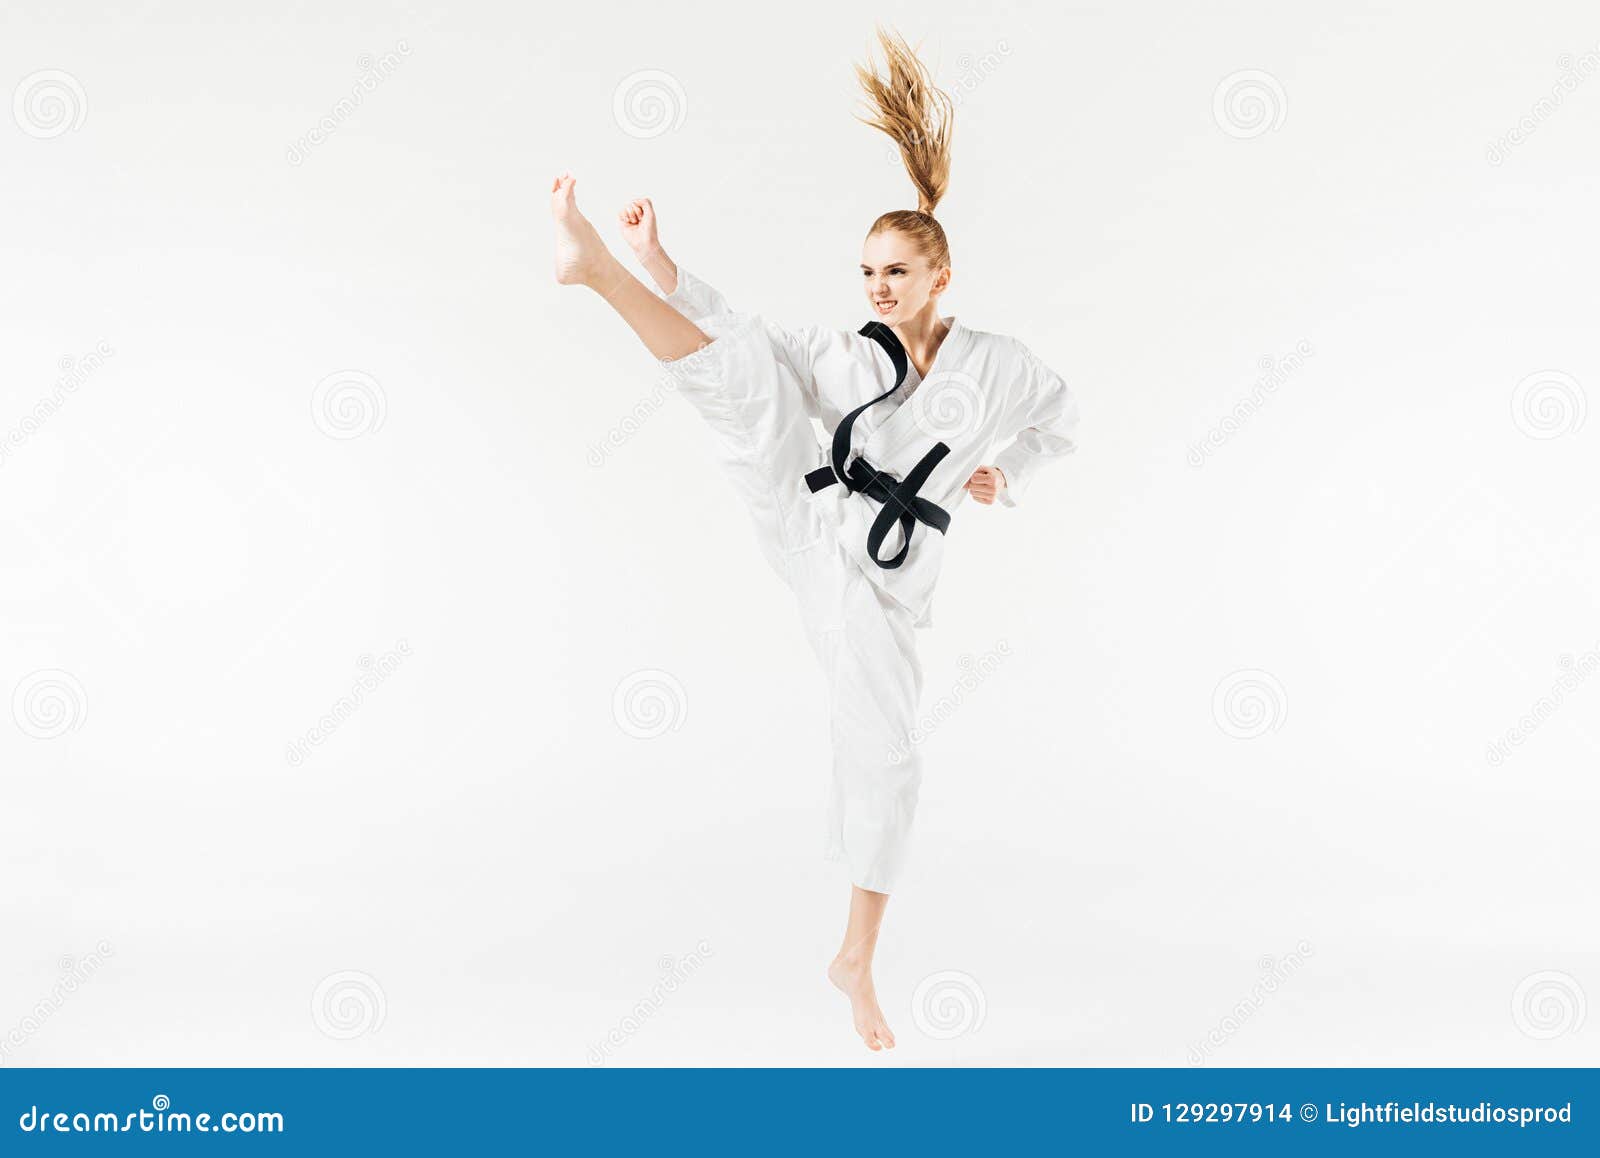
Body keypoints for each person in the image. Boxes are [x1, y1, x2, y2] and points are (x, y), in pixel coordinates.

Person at [552, 27, 1079, 1051]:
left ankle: (854, 960)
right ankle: (602, 274)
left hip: (881, 583)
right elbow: (747, 334)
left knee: (887, 757)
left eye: (894, 270)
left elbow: (1059, 416)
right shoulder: (845, 350)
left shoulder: (998, 368)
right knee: (748, 384)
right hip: (808, 514)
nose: (877, 285)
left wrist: (1003, 471)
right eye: (866, 270)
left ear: (939, 276)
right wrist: (663, 264)